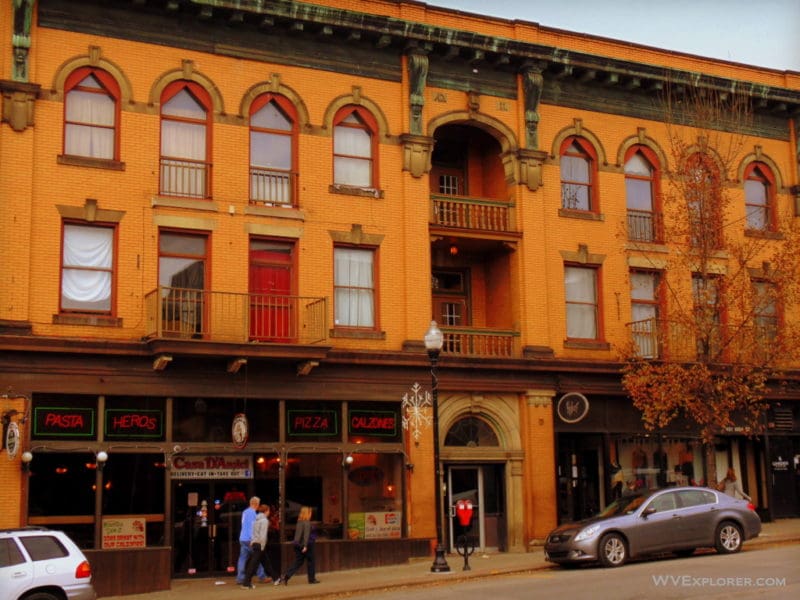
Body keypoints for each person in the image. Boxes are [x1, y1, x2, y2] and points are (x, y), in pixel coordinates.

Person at [241, 505, 281, 589]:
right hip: (260, 544)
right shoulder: (264, 521)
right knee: (253, 564)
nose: (269, 512)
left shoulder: (256, 519)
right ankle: (246, 583)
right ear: (266, 511)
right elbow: (263, 535)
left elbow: (253, 532)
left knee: (266, 563)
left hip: (255, 543)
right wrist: (262, 546)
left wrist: (252, 541)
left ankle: (276, 578)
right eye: (269, 511)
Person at [280, 506, 320, 585]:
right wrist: (305, 546)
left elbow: (297, 536)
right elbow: (306, 535)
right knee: (311, 561)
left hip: (297, 544)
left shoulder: (299, 522)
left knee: (298, 562)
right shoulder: (307, 523)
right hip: (307, 544)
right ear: (307, 514)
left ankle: (287, 575)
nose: (311, 514)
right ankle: (311, 579)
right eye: (310, 512)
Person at [236, 496, 266, 585]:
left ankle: (240, 578)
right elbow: (251, 527)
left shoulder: (245, 512)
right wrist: (253, 539)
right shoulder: (252, 513)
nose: (258, 506)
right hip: (249, 539)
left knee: (242, 559)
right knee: (257, 557)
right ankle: (262, 576)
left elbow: (244, 524)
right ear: (256, 504)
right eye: (258, 504)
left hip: (242, 538)